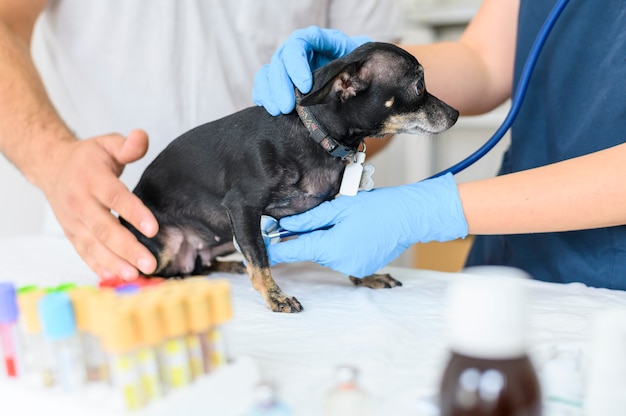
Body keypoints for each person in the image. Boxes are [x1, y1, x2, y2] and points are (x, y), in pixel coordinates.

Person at [0, 1, 400, 280]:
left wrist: (328, 134)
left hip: (294, 253)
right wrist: (52, 158)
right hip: (105, 239)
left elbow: (380, 106)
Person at [254, 0, 626, 290]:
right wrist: (364, 69)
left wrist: (434, 210)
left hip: (612, 279)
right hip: (515, 251)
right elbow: (485, 62)